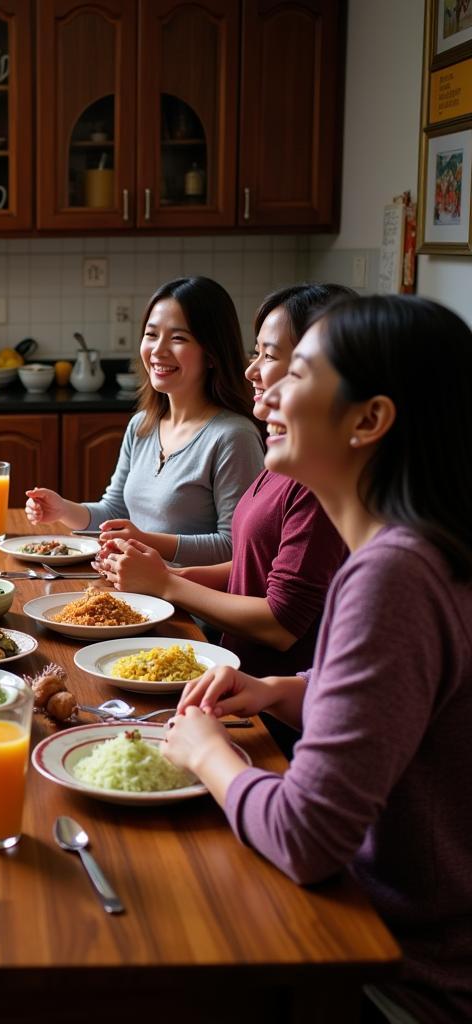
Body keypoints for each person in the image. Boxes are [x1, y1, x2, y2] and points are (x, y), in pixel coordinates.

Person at [163, 295, 472, 1023]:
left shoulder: (393, 574)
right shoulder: (427, 548)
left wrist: (208, 754)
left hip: (394, 974)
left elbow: (305, 838)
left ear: (369, 420)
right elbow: (412, 703)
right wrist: (283, 690)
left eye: (295, 372)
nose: (262, 390)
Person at [96, 285, 351, 680]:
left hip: (271, 698)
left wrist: (166, 583)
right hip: (232, 672)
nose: (251, 370)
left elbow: (282, 623)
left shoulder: (316, 479)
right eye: (256, 352)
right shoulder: (283, 458)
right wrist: (170, 576)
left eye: (269, 355)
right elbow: (254, 564)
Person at [25, 277, 264, 566]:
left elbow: (235, 548)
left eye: (178, 338)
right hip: (138, 592)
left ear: (212, 353)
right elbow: (115, 510)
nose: (158, 350)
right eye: (151, 335)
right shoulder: (142, 425)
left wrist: (145, 541)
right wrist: (63, 509)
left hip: (190, 606)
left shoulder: (233, 437)